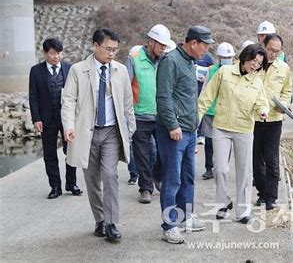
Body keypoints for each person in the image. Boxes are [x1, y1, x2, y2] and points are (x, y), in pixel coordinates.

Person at [61, 28, 136, 242]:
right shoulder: (78, 70)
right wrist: (68, 126)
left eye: (115, 49)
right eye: (108, 49)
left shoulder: (120, 70)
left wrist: (131, 127)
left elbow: (127, 102)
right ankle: (100, 220)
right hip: (88, 132)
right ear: (95, 46)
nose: (112, 53)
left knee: (110, 175)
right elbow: (68, 101)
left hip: (112, 131)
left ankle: (112, 223)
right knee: (92, 179)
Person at [198, 44, 269, 224]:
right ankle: (223, 202)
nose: (255, 65)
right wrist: (195, 120)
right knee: (219, 169)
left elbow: (262, 102)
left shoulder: (257, 82)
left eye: (259, 63)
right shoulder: (224, 72)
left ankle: (243, 211)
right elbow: (207, 97)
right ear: (246, 56)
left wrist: (263, 110)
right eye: (254, 60)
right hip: (221, 126)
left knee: (245, 172)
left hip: (244, 129)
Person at [155, 26, 214, 244]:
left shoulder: (190, 61)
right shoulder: (171, 61)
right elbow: (163, 97)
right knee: (172, 179)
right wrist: (172, 125)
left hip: (188, 131)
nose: (206, 50)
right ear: (193, 43)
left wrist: (194, 129)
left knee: (188, 177)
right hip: (173, 131)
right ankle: (169, 225)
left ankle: (186, 216)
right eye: (205, 45)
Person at [124, 25, 176, 204]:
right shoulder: (134, 59)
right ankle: (145, 188)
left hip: (161, 115)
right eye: (160, 44)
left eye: (165, 45)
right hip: (140, 115)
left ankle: (157, 176)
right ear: (151, 41)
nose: (163, 48)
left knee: (163, 153)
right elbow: (126, 86)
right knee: (142, 154)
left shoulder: (166, 60)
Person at [28, 38, 82, 199]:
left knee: (70, 151)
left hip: (67, 118)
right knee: (50, 154)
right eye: (52, 53)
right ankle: (55, 187)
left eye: (59, 53)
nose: (56, 56)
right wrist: (36, 118)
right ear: (45, 53)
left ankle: (71, 183)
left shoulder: (69, 68)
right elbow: (33, 96)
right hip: (46, 119)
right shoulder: (36, 71)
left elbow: (77, 94)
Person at [253, 34, 292, 211]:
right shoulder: (253, 64)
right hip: (253, 118)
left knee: (271, 158)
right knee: (256, 158)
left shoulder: (283, 68)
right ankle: (261, 193)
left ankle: (271, 197)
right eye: (270, 50)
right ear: (263, 45)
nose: (273, 54)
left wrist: (284, 104)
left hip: (274, 119)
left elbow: (287, 91)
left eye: (277, 51)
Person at [200, 42, 236, 180]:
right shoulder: (212, 70)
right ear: (219, 57)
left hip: (228, 111)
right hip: (211, 111)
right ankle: (209, 168)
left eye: (229, 56)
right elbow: (205, 89)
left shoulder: (237, 70)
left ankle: (222, 168)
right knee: (209, 142)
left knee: (226, 141)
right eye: (224, 56)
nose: (227, 59)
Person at [195, 51, 215, 145]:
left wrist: (205, 77)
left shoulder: (208, 57)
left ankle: (201, 134)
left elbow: (211, 69)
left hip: (202, 86)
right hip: (194, 87)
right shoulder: (192, 56)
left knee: (202, 110)